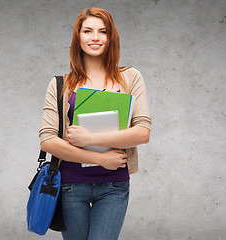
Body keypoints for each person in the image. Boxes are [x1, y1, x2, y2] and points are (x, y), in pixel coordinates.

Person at [39, 7, 151, 240]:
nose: (95, 37)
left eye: (103, 31)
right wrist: (98, 158)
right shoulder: (61, 84)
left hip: (114, 185)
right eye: (88, 31)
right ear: (78, 37)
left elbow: (142, 133)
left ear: (111, 38)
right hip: (70, 185)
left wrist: (90, 139)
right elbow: (48, 140)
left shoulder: (130, 77)